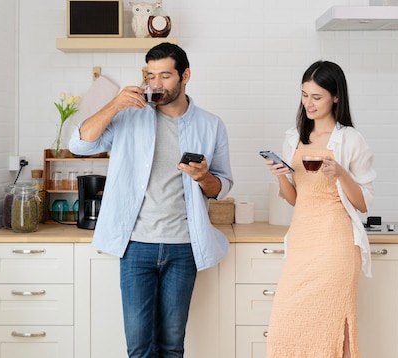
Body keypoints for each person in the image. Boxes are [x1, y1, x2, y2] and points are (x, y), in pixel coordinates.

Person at [68, 42, 233, 358]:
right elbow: (79, 144)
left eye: (165, 76)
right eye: (151, 76)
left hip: (184, 247)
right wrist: (115, 105)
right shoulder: (130, 118)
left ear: (185, 76)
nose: (156, 84)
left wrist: (203, 177)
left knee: (172, 346)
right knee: (139, 347)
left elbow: (221, 187)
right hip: (135, 246)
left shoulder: (211, 125)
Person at [263, 60, 376, 358]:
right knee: (285, 326)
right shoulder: (294, 137)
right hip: (302, 240)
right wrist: (279, 176)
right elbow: (295, 198)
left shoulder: (350, 140)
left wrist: (340, 173)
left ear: (335, 97)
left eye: (317, 97)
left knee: (335, 326)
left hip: (336, 243)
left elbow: (363, 203)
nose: (308, 104)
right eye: (304, 95)